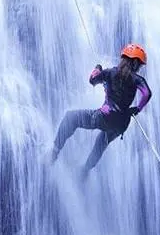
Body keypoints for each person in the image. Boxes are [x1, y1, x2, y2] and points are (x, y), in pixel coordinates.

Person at [48, 43, 152, 179]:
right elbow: (147, 94)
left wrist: (97, 68)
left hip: (104, 117)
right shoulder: (138, 80)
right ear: (137, 64)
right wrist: (137, 109)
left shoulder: (110, 72)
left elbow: (92, 80)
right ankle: (85, 171)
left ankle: (53, 154)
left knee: (70, 118)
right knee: (101, 143)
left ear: (124, 59)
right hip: (121, 125)